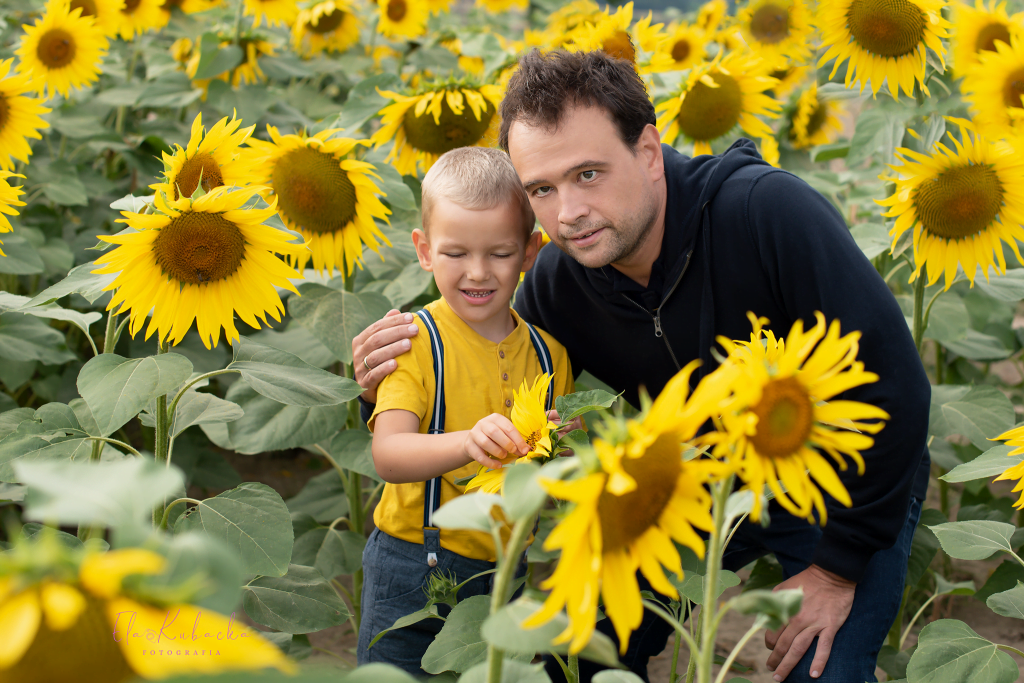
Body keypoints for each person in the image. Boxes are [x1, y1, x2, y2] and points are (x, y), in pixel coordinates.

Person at [354, 51, 930, 683]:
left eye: (589, 174)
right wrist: (390, 380)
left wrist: (836, 569)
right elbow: (487, 379)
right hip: (696, 482)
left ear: (650, 152)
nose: (568, 211)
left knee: (822, 670)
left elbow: (896, 390)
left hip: (842, 478)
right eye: (542, 189)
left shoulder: (765, 213)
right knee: (573, 651)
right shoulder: (557, 284)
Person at [356, 146, 576, 673]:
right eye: (455, 254)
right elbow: (388, 454)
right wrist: (467, 442)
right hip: (411, 564)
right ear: (425, 250)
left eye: (499, 253)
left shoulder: (550, 356)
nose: (477, 273)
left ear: (530, 252)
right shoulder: (413, 342)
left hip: (506, 566)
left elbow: (554, 462)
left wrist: (562, 450)